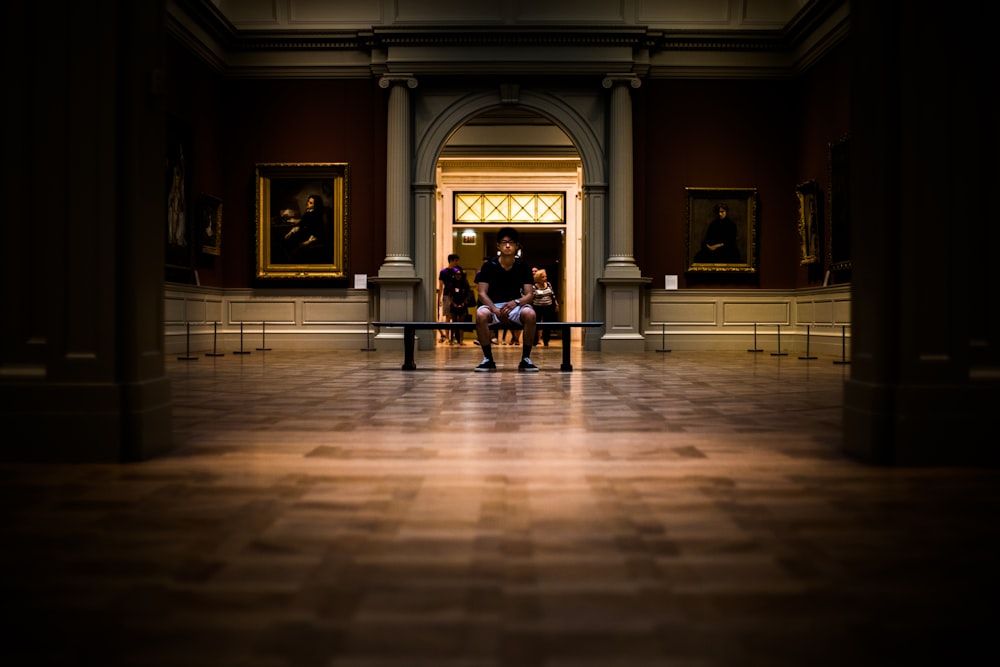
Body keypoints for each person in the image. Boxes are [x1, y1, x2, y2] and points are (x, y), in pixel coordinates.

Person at [473, 227, 538, 371]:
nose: (507, 245)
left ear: (516, 246)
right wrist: (495, 309)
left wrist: (516, 302)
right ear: (498, 245)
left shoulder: (523, 267)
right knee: (480, 314)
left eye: (511, 242)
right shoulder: (489, 266)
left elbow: (529, 295)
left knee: (531, 314)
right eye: (504, 242)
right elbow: (482, 293)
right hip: (493, 306)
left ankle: (526, 359)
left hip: (515, 306)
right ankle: (488, 359)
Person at [282, 194, 326, 262]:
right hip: (304, 233)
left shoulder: (316, 215)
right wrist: (290, 232)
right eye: (308, 201)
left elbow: (317, 231)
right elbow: (301, 224)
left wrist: (308, 242)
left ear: (315, 205)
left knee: (293, 246)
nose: (307, 203)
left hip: (311, 237)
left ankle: (291, 261)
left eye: (310, 203)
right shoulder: (308, 213)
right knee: (287, 240)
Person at [531, 268, 559, 346]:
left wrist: (556, 304)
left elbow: (552, 295)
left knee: (547, 324)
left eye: (545, 276)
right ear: (538, 278)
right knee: (536, 324)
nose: (545, 278)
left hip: (548, 306)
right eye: (543, 277)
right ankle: (535, 341)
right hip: (537, 307)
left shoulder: (548, 284)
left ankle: (546, 340)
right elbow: (532, 298)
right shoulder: (534, 287)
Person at [437, 254, 461, 342]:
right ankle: (447, 337)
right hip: (447, 295)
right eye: (456, 261)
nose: (457, 263)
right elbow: (441, 286)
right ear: (451, 260)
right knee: (448, 316)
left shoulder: (457, 271)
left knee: (455, 317)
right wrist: (439, 298)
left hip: (456, 296)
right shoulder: (443, 272)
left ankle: (454, 336)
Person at [448, 267, 473, 344]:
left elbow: (468, 294)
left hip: (463, 305)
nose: (458, 276)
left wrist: (464, 303)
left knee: (461, 324)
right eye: (456, 274)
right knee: (454, 323)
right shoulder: (452, 283)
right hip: (454, 305)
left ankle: (461, 340)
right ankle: (452, 339)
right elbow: (449, 295)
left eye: (459, 274)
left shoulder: (465, 283)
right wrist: (453, 303)